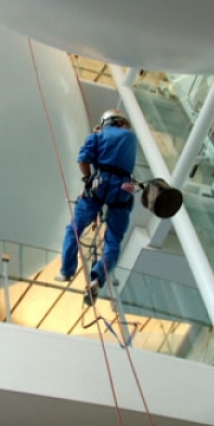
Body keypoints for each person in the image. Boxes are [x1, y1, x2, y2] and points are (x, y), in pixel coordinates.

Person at [55, 109, 137, 305]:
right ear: (121, 122)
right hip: (122, 191)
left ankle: (67, 271)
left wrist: (87, 178)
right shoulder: (131, 138)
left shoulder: (98, 135)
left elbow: (83, 160)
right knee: (114, 241)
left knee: (74, 229)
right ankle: (98, 277)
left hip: (98, 186)